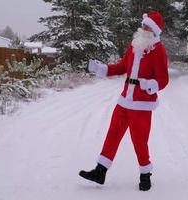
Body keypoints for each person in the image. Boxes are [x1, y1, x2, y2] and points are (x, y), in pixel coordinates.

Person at [79, 11, 169, 191]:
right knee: (113, 133)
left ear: (154, 30)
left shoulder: (159, 51)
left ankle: (145, 175)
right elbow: (121, 67)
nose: (143, 28)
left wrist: (150, 84)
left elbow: (163, 79)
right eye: (143, 25)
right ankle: (100, 171)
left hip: (142, 104)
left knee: (139, 140)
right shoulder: (134, 46)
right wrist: (101, 69)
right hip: (124, 101)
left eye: (147, 26)